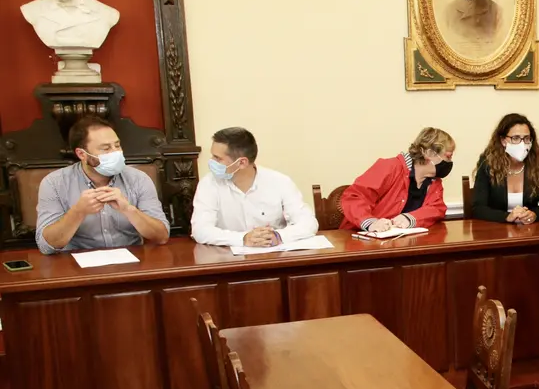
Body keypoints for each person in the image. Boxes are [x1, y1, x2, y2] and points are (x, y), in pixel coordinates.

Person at [35, 115, 170, 255]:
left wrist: (129, 210)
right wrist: (78, 212)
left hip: (131, 263)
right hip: (76, 265)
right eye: (105, 148)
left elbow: (162, 237)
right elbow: (46, 246)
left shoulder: (139, 179)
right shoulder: (54, 183)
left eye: (117, 145)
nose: (116, 153)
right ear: (82, 154)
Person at [190, 127, 318, 247]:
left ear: (242, 162)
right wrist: (243, 239)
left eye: (218, 158)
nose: (211, 161)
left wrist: (278, 236)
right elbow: (200, 230)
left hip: (274, 257)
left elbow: (308, 223)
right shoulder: (209, 184)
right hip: (228, 261)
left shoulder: (279, 182)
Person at [341, 127, 455, 232]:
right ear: (428, 153)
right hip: (361, 240)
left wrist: (410, 218)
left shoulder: (435, 182)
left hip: (400, 244)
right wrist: (371, 223)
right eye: (448, 157)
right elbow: (354, 197)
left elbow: (436, 209)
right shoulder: (390, 167)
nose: (449, 163)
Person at [470, 113, 539, 224]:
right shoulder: (488, 163)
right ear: (503, 141)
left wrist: (535, 214)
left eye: (526, 138)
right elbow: (478, 208)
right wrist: (507, 217)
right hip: (496, 230)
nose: (522, 143)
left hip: (529, 231)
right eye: (515, 138)